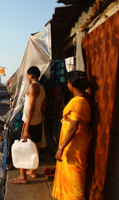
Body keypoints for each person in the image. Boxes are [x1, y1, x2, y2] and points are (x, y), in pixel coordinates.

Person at [52, 71, 92, 200]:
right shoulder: (85, 97)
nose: (67, 85)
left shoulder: (78, 102)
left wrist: (61, 148)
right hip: (76, 141)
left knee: (74, 175)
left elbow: (73, 128)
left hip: (74, 144)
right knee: (70, 172)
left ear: (72, 84)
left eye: (68, 82)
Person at [9, 66, 45, 184]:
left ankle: (23, 177)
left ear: (31, 75)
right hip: (38, 121)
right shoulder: (41, 87)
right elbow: (43, 105)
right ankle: (33, 171)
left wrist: (26, 128)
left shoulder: (33, 86)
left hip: (29, 122)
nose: (27, 78)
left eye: (28, 76)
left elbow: (31, 109)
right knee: (35, 147)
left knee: (22, 148)